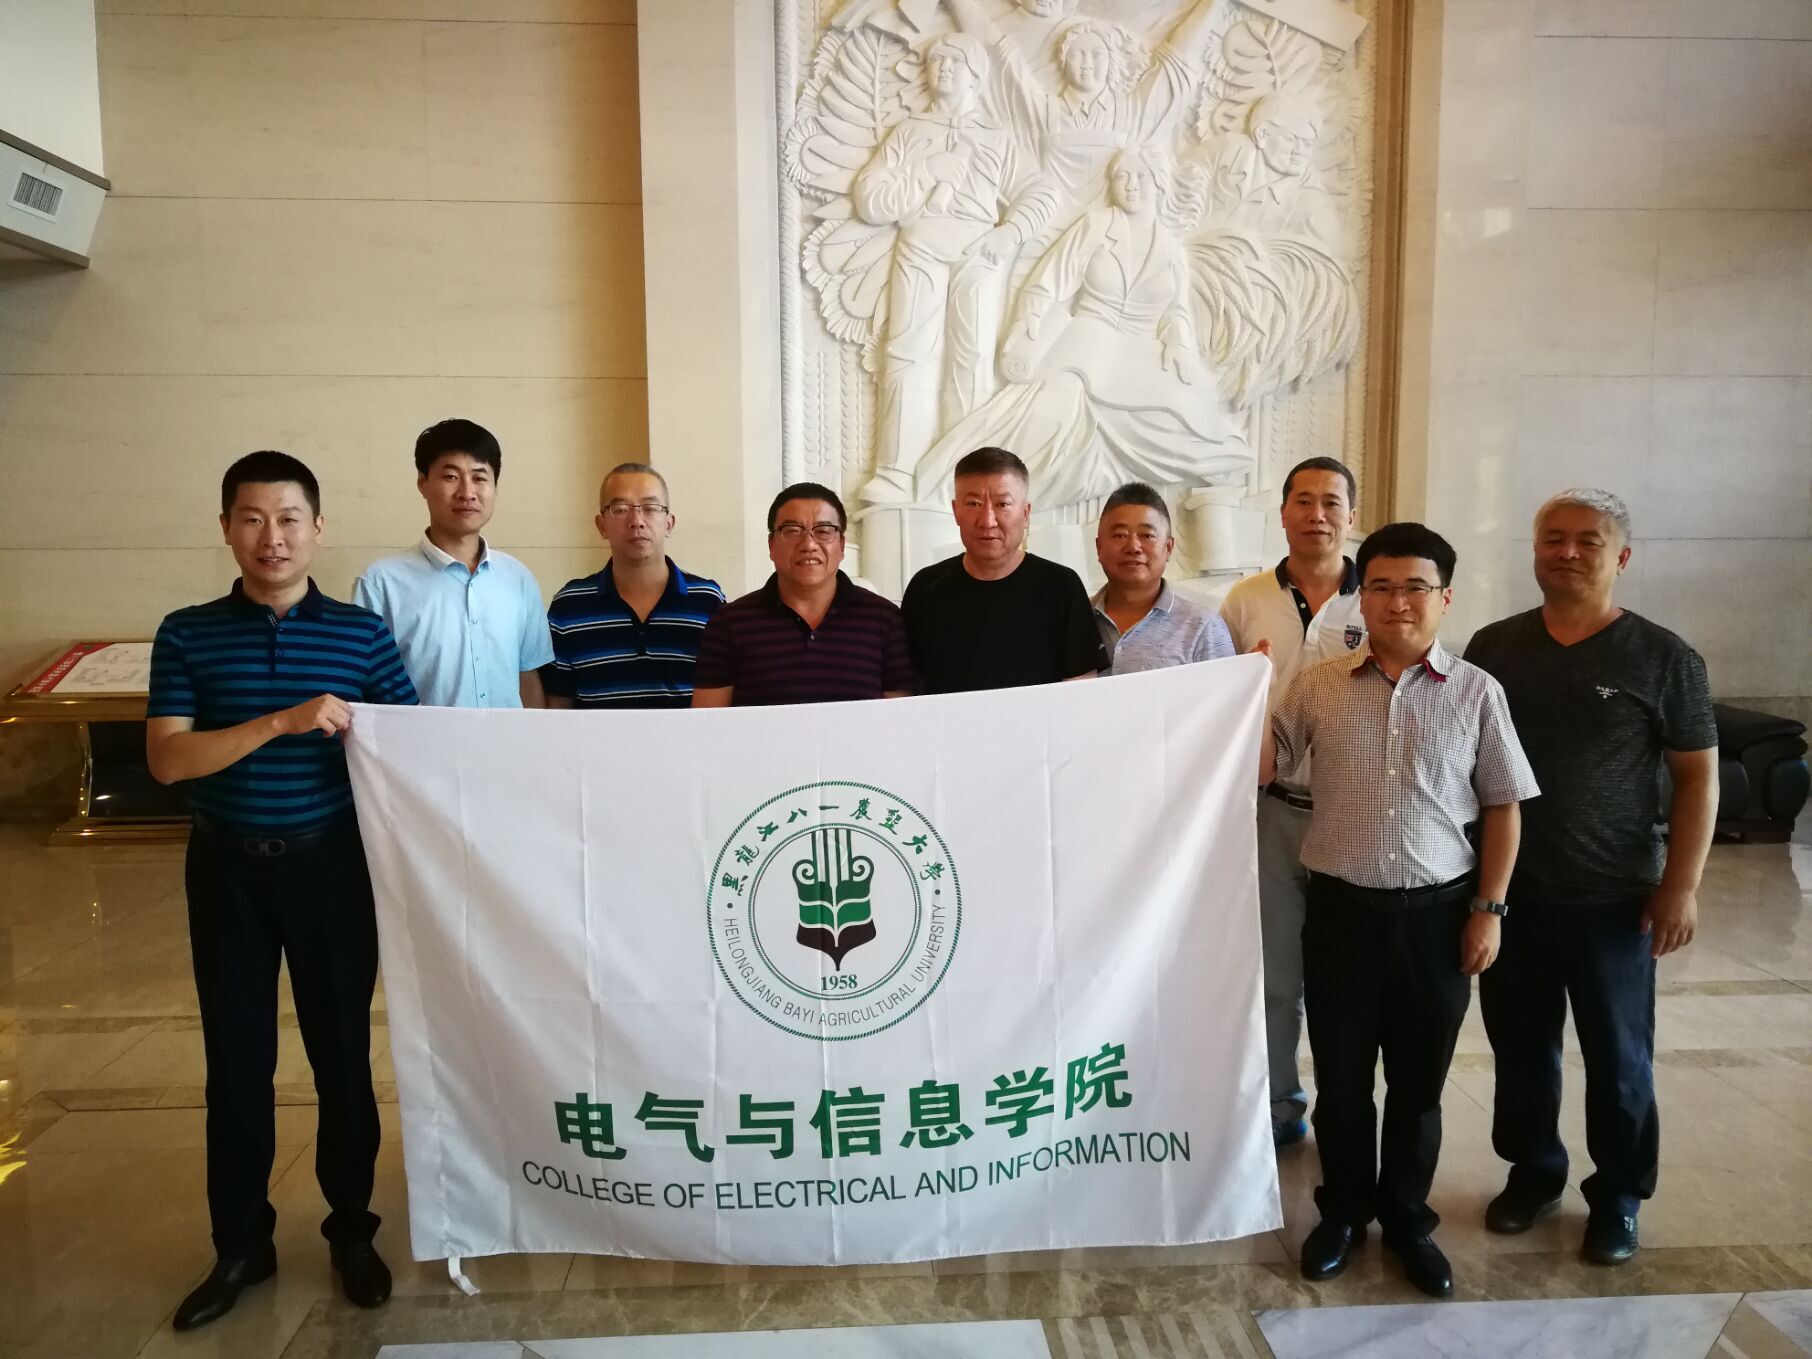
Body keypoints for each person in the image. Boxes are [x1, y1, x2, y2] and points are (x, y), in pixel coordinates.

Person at [146, 452, 417, 1331]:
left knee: (342, 1057)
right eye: (254, 518)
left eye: (290, 518)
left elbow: (410, 745)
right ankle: (240, 1245)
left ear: (318, 528)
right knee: (236, 1065)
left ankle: (352, 1230)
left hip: (330, 867)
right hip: (225, 870)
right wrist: (280, 721)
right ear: (227, 527)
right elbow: (168, 759)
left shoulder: (362, 635)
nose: (273, 537)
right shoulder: (187, 633)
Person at [1264, 521, 1539, 1299]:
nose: (1397, 602)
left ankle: (1409, 1218)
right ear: (1363, 598)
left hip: (1438, 918)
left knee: (1418, 1087)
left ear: (1444, 597)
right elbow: (1265, 763)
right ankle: (1344, 1212)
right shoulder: (1317, 685)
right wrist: (1243, 691)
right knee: (1343, 1080)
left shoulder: (1478, 692)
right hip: (1341, 916)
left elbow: (1505, 806)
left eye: (1416, 586)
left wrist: (1489, 909)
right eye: (1380, 586)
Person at [1466, 489, 1718, 1267]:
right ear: (1534, 548)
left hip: (1617, 901)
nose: (1567, 552)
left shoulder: (1664, 657)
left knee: (1619, 1059)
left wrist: (1681, 884)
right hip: (1513, 894)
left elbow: (1697, 777)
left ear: (1622, 557)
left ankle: (1618, 1195)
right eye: (1554, 538)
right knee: (1521, 1049)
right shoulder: (1495, 646)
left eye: (1588, 540)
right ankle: (1533, 1170)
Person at [1219, 456, 1367, 1149]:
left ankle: (1347, 1111)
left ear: (1351, 514)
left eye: (1331, 502)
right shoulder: (1244, 601)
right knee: (1275, 975)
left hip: (1355, 814)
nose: (1317, 515)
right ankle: (1280, 1104)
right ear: (1282, 513)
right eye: (1302, 501)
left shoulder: (1378, 597)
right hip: (1272, 810)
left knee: (1346, 981)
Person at [353, 419, 552, 708]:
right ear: (423, 483)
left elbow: (528, 679)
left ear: (495, 486)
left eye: (479, 478)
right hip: (420, 739)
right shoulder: (381, 583)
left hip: (508, 738)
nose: (467, 492)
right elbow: (364, 690)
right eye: (451, 476)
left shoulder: (518, 578)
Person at [900, 446, 1105, 693]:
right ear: (956, 511)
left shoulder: (1061, 587)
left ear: (1025, 513)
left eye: (1003, 504)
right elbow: (906, 689)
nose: (988, 521)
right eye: (973, 504)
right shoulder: (925, 588)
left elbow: (1081, 691)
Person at [692, 483, 913, 706]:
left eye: (823, 531)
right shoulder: (729, 623)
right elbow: (708, 720)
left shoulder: (884, 619)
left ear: (841, 545)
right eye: (792, 531)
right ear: (771, 545)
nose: (808, 544)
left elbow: (900, 718)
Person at [544, 463, 725, 709]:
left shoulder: (708, 602)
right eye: (620, 509)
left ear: (669, 523)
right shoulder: (569, 607)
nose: (637, 521)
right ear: (601, 525)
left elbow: (724, 703)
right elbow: (558, 708)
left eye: (650, 508)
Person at [1090, 481, 1234, 673]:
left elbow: (1228, 691)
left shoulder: (1203, 627)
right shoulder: (1072, 619)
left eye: (1147, 535)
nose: (1133, 547)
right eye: (1120, 535)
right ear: (1099, 547)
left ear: (1168, 548)